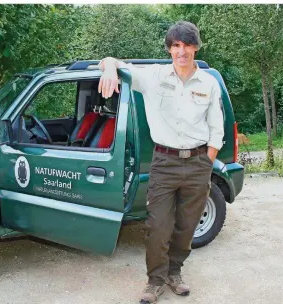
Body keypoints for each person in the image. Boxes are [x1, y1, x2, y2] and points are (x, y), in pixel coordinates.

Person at [98, 21, 224, 304]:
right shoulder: (153, 76)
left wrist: (207, 162)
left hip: (197, 163)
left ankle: (174, 273)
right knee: (158, 226)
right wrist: (108, 68)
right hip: (164, 163)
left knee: (187, 225)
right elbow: (112, 61)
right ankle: (155, 280)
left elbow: (218, 128)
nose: (182, 51)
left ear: (195, 47)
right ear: (169, 49)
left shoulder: (209, 83)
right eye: (176, 45)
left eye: (187, 45)